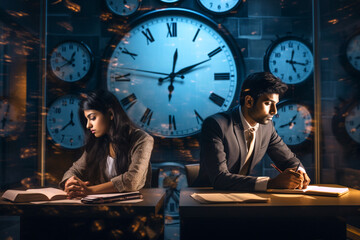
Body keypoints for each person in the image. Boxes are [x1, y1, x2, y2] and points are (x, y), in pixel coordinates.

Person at [195, 72, 311, 192]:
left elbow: (288, 160)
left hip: (242, 198)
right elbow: (219, 179)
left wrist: (299, 173)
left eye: (275, 104)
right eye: (268, 104)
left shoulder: (267, 127)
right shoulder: (216, 125)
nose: (274, 111)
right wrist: (271, 183)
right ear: (249, 101)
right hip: (206, 200)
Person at [59, 89, 154, 198]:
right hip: (103, 207)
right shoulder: (98, 142)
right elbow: (74, 170)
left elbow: (132, 181)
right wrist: (70, 183)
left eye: (92, 118)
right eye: (86, 120)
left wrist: (89, 190)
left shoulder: (142, 139)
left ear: (110, 114)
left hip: (136, 208)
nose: (88, 125)